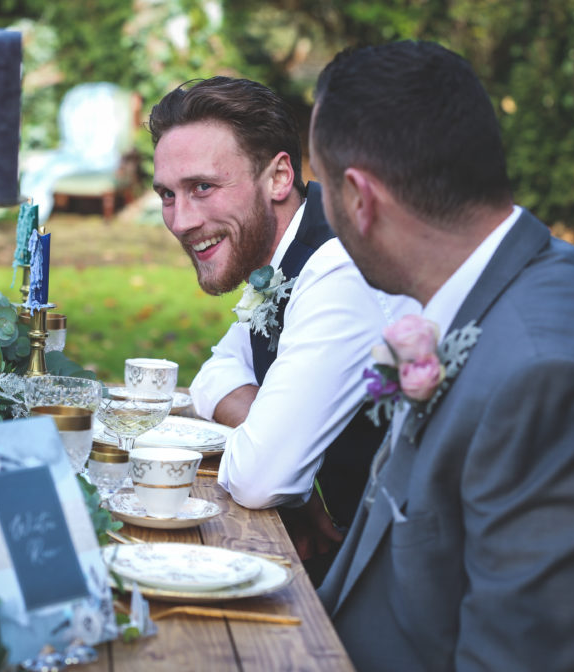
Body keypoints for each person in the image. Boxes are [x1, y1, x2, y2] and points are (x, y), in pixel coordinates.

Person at [310, 40, 574, 672]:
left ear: (359, 197)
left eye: (320, 184)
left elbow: (520, 666)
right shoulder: (488, 292)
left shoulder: (550, 375)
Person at [148, 76, 417, 583]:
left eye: (202, 187)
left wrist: (282, 455)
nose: (181, 221)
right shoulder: (282, 256)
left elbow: (259, 479)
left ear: (277, 178)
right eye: (167, 194)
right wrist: (273, 438)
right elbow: (214, 373)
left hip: (392, 578)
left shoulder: (338, 267)